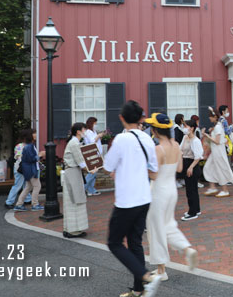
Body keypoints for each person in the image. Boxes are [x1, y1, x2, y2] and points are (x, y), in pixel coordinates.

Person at [103, 100, 162, 297]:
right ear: (141, 119)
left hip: (126, 200)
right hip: (144, 197)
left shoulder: (121, 139)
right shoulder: (147, 139)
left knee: (115, 243)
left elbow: (108, 166)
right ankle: (139, 290)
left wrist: (121, 170)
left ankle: (146, 276)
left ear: (122, 118)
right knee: (135, 242)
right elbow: (154, 171)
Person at [144, 113, 198, 281]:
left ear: (155, 131)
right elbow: (180, 167)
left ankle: (161, 270)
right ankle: (186, 249)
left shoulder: (158, 149)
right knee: (168, 224)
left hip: (158, 190)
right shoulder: (175, 144)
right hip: (171, 190)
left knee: (155, 228)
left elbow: (153, 175)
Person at [62, 122, 93, 238]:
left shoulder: (75, 142)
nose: (85, 132)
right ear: (78, 131)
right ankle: (73, 230)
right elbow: (81, 162)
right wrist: (91, 170)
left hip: (73, 172)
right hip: (73, 172)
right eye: (84, 129)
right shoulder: (74, 143)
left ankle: (70, 228)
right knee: (75, 200)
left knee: (73, 200)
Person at [202, 107, 233, 197]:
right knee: (209, 167)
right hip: (215, 151)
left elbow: (217, 141)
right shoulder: (217, 126)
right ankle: (212, 187)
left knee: (220, 169)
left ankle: (225, 190)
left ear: (215, 117)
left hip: (218, 151)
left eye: (210, 116)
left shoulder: (217, 127)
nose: (209, 118)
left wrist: (206, 135)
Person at [14, 130, 46, 211]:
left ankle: (19, 204)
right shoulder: (29, 146)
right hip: (31, 170)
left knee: (28, 187)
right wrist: (40, 155)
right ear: (30, 136)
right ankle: (35, 204)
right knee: (37, 186)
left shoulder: (29, 146)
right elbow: (31, 159)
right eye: (34, 133)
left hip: (28, 170)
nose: (35, 134)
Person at [180, 119, 204, 221]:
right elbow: (180, 149)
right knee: (191, 189)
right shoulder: (185, 137)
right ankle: (196, 209)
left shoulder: (196, 140)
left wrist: (191, 167)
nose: (184, 128)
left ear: (192, 128)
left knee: (191, 190)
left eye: (186, 126)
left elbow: (198, 156)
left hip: (192, 165)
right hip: (186, 163)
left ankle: (192, 212)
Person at [4, 131, 32, 208]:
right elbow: (20, 158)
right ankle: (9, 202)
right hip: (21, 169)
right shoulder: (20, 146)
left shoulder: (26, 145)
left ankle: (27, 199)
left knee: (25, 184)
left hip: (23, 168)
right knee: (18, 185)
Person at [83, 117, 104, 196]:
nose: (96, 125)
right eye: (95, 123)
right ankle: (84, 188)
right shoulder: (88, 132)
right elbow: (92, 141)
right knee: (92, 172)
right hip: (91, 152)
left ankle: (90, 189)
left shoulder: (93, 131)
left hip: (96, 153)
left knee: (94, 173)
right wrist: (99, 136)